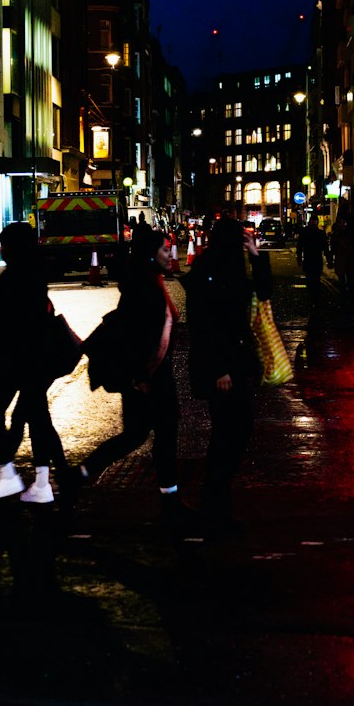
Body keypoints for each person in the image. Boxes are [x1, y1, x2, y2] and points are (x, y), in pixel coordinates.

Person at [73, 227, 182, 523]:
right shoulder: (143, 288)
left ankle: (81, 474)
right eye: (164, 250)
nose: (169, 255)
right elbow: (134, 335)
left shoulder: (151, 281)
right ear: (150, 254)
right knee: (158, 434)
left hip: (153, 377)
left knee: (137, 435)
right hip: (148, 380)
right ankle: (170, 501)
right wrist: (140, 376)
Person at [0, 222, 66, 503]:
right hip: (39, 360)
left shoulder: (10, 280)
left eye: (3, 243)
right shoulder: (37, 274)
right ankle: (45, 483)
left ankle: (7, 473)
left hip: (12, 360)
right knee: (38, 419)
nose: (1, 248)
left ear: (13, 247)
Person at [183, 217, 261, 534]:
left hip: (233, 364)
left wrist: (256, 256)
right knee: (229, 434)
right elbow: (206, 325)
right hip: (222, 369)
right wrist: (220, 369)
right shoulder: (210, 272)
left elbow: (263, 293)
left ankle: (216, 502)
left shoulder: (229, 268)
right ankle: (214, 505)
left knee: (232, 433)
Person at [329, 198, 354, 301]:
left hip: (344, 255)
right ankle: (348, 294)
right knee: (348, 277)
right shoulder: (349, 222)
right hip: (346, 255)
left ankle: (344, 294)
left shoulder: (339, 226)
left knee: (344, 277)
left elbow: (334, 245)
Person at [301, 214, 328, 309]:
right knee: (311, 280)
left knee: (315, 280)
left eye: (315, 221)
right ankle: (314, 298)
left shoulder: (320, 233)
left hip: (315, 260)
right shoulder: (306, 232)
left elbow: (325, 248)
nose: (314, 223)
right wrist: (299, 258)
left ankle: (315, 298)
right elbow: (300, 246)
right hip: (311, 259)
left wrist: (329, 259)